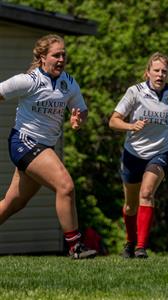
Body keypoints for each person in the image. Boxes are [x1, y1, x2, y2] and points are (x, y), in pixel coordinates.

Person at [0, 34, 96, 259]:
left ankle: (75, 247)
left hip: (44, 148)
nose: (61, 59)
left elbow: (81, 110)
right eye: (56, 55)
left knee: (12, 204)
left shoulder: (69, 82)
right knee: (66, 185)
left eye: (64, 54)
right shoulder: (29, 81)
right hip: (24, 143)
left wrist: (78, 118)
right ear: (42, 57)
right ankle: (75, 247)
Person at [109, 52, 168, 259]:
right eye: (156, 70)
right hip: (133, 153)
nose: (160, 75)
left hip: (160, 152)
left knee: (147, 193)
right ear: (147, 73)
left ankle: (141, 247)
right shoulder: (134, 92)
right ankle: (130, 241)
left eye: (164, 71)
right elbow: (113, 121)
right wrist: (131, 125)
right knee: (130, 205)